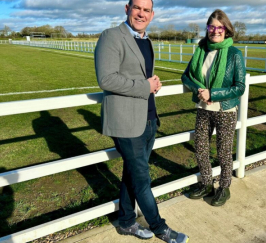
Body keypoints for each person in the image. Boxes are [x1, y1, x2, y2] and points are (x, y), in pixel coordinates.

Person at [94, 0, 189, 242]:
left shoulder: (146, 40)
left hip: (148, 118)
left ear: (152, 14)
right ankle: (161, 228)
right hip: (126, 121)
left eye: (146, 10)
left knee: (132, 174)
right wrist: (144, 86)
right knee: (143, 179)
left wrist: (151, 85)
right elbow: (106, 79)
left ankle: (126, 221)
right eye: (137, 7)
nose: (141, 13)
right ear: (127, 9)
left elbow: (140, 77)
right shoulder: (111, 36)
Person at [181, 9, 246, 207]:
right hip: (203, 108)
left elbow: (239, 87)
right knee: (200, 148)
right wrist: (199, 89)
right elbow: (185, 77)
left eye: (220, 27)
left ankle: (224, 188)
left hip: (225, 110)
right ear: (207, 29)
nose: (215, 31)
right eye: (211, 27)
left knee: (224, 151)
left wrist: (213, 93)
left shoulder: (235, 54)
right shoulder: (201, 50)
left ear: (226, 30)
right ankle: (207, 184)